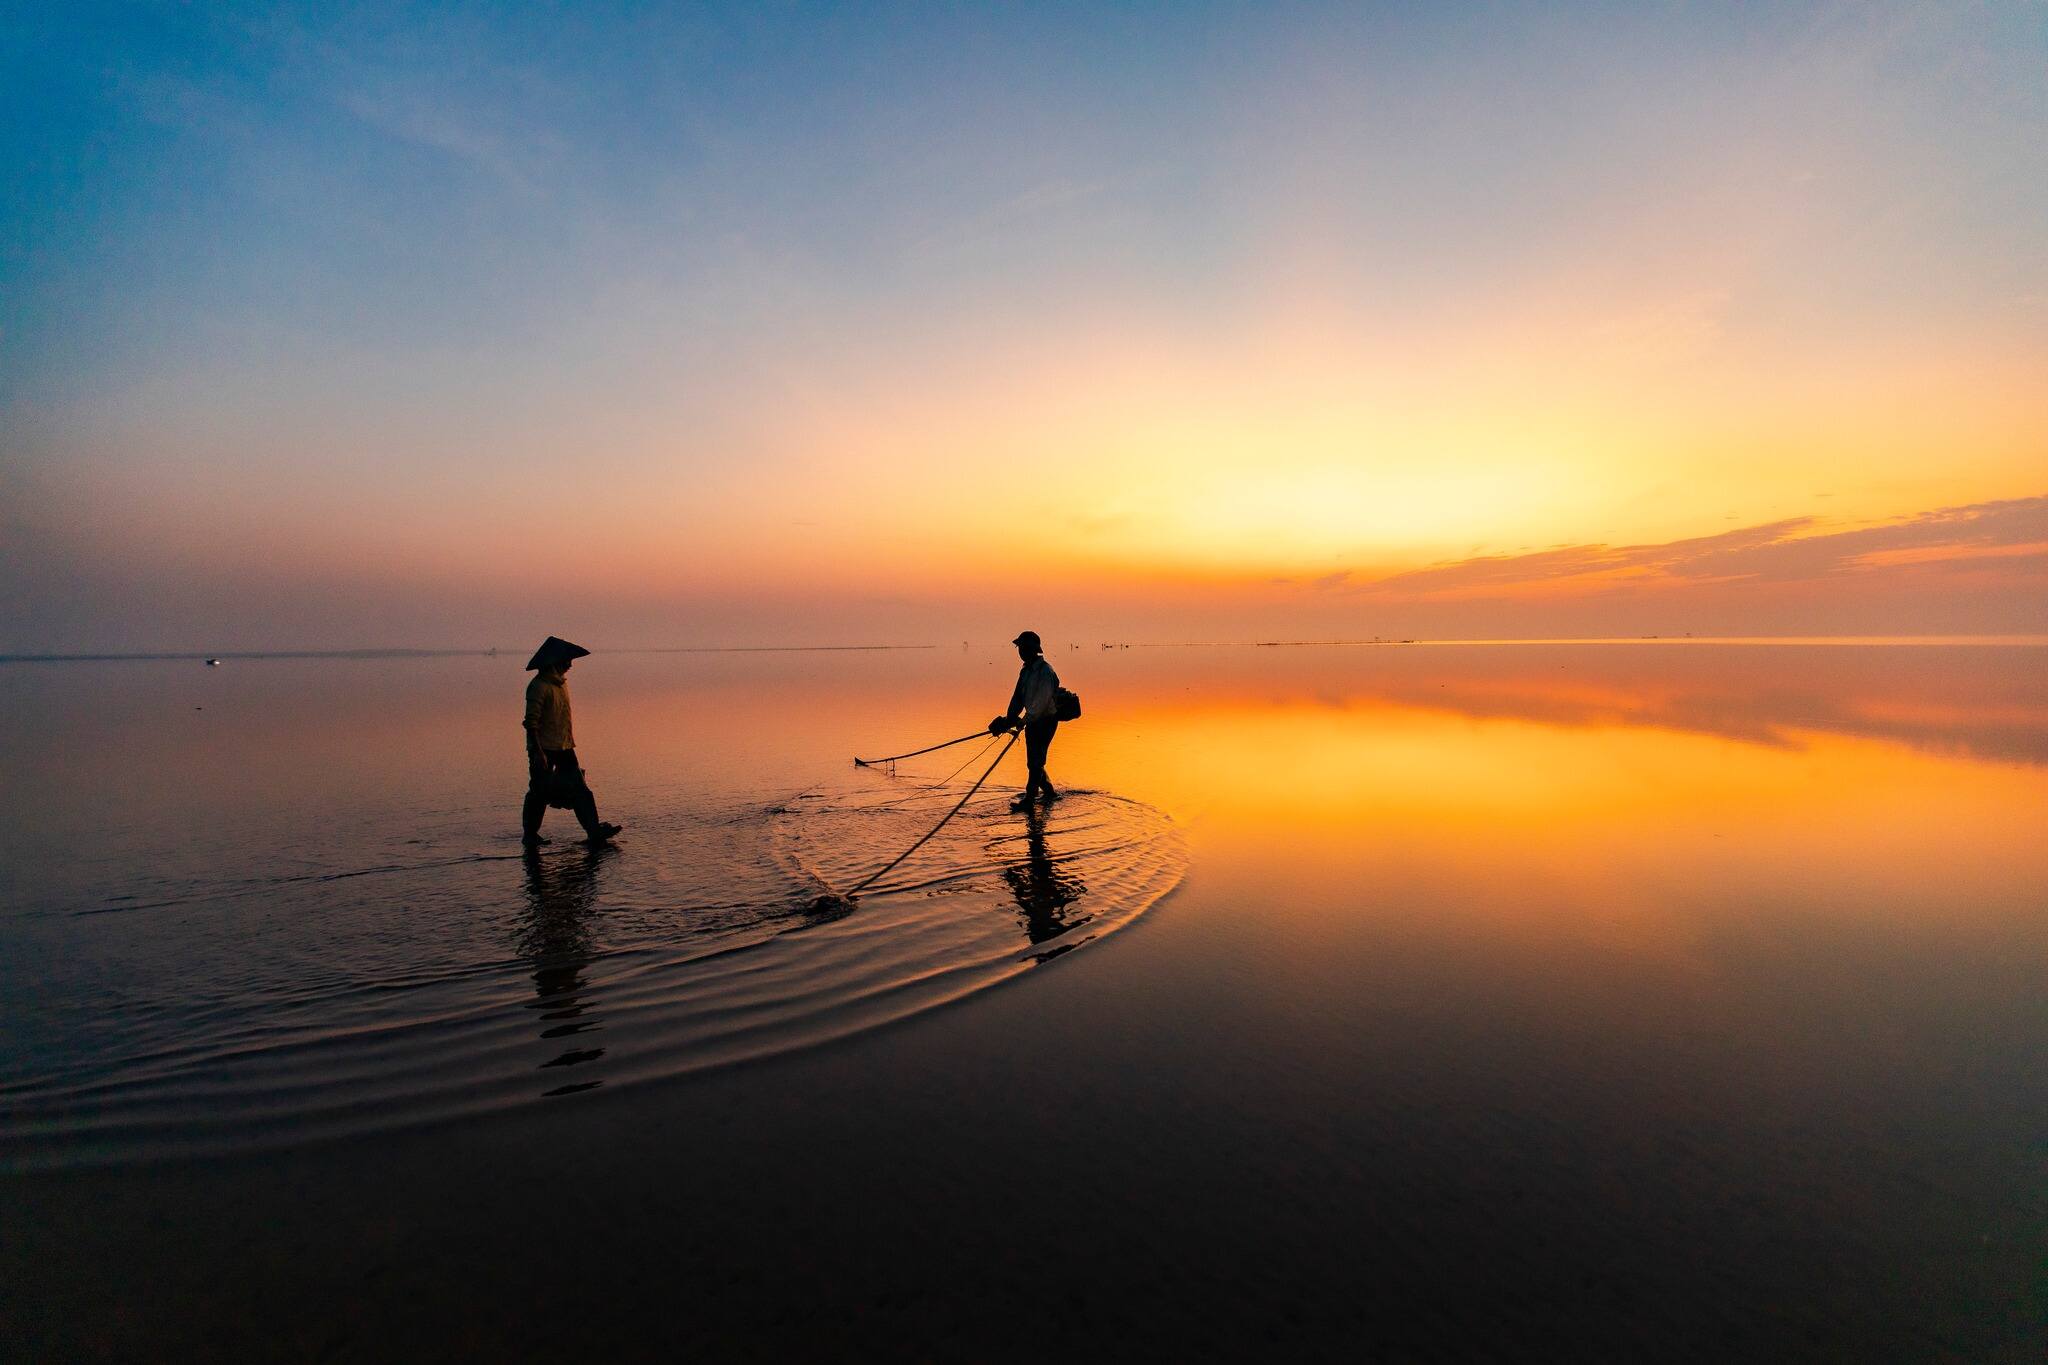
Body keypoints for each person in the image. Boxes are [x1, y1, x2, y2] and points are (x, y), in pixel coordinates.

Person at [521, 636, 623, 846]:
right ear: (554, 661)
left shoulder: (560, 685)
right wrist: (538, 753)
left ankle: (593, 830)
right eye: (566, 661)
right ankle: (530, 835)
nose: (569, 665)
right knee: (539, 792)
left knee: (580, 789)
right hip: (544, 748)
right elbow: (531, 723)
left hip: (564, 746)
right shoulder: (539, 686)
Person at [990, 629, 1061, 811]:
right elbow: (1017, 698)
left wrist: (1024, 720)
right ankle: (1050, 793)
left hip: (1046, 721)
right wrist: (1009, 719)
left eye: (1022, 648)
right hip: (1031, 721)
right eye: (1019, 648)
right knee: (1033, 762)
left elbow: (1042, 702)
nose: (1020, 651)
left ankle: (1029, 800)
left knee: (1036, 762)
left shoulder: (1045, 671)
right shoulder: (1026, 671)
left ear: (1032, 649)